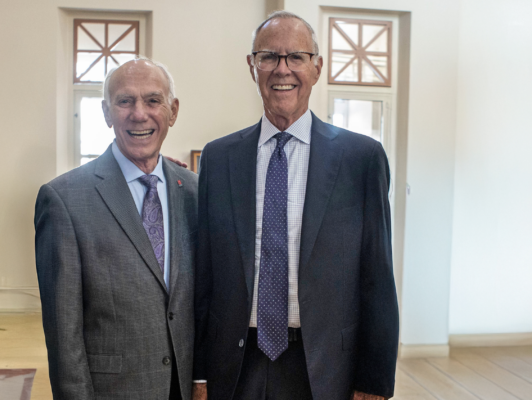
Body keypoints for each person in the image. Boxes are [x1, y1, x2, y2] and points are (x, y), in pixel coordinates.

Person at [192, 11, 399, 400]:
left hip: (324, 366)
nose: (281, 69)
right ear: (252, 66)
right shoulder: (219, 158)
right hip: (236, 364)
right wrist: (199, 372)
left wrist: (374, 382)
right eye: (269, 56)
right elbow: (205, 276)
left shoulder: (362, 159)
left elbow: (377, 279)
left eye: (296, 57)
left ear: (316, 67)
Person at [35, 57, 197, 400]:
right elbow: (64, 334)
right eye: (125, 101)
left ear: (173, 111)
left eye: (153, 100)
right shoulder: (64, 199)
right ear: (107, 112)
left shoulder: (196, 192)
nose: (139, 113)